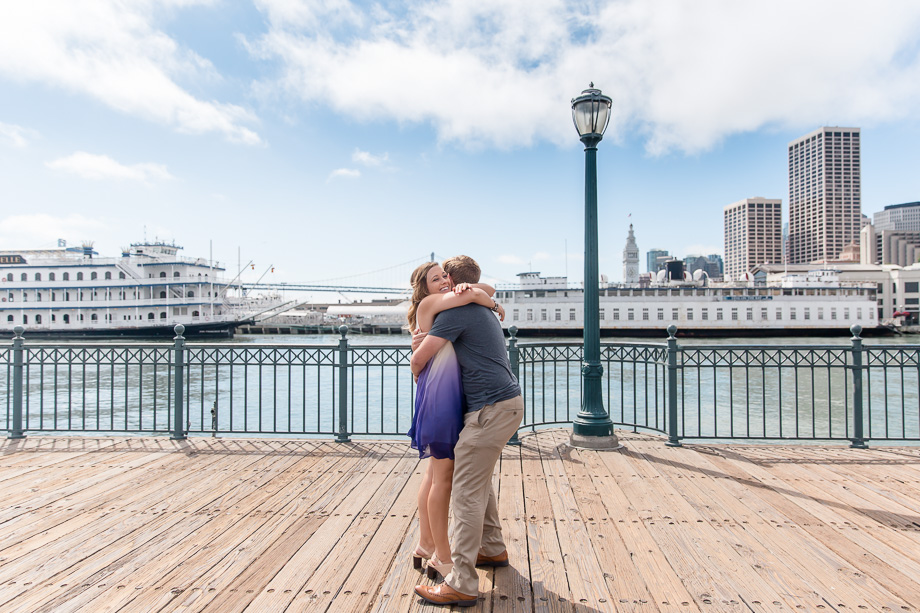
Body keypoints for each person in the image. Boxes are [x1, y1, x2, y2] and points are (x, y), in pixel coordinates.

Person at [411, 255, 523, 608]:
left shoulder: (456, 313)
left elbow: (421, 358)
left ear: (455, 282)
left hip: (489, 409)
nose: (443, 281)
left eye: (445, 276)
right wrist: (489, 297)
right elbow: (486, 292)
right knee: (478, 480)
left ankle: (460, 583)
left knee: (465, 493)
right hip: (504, 403)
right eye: (437, 277)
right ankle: (491, 550)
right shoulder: (477, 308)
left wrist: (419, 376)